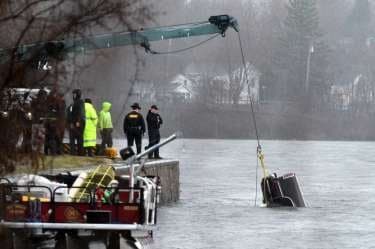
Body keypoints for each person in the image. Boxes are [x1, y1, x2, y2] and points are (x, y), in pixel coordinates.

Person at [67, 89, 85, 155]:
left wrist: (77, 121)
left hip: (77, 123)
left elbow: (80, 113)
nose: (73, 96)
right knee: (78, 138)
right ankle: (77, 153)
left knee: (76, 139)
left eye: (74, 94)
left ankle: (77, 153)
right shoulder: (76, 103)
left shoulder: (79, 102)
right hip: (76, 122)